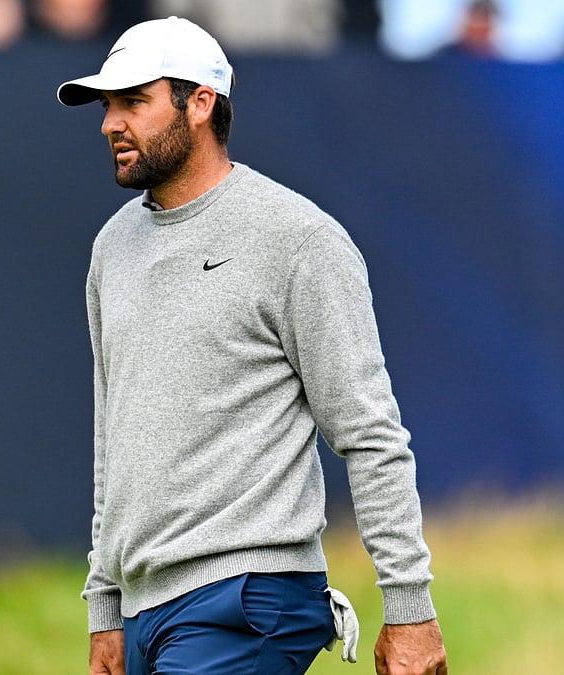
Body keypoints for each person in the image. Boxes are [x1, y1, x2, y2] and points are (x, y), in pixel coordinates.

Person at [56, 17, 449, 675]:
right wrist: (107, 610)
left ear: (201, 102)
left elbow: (370, 433)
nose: (109, 124)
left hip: (247, 599)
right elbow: (113, 441)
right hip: (146, 613)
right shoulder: (111, 249)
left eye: (133, 102)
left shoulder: (299, 241)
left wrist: (409, 606)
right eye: (106, 106)